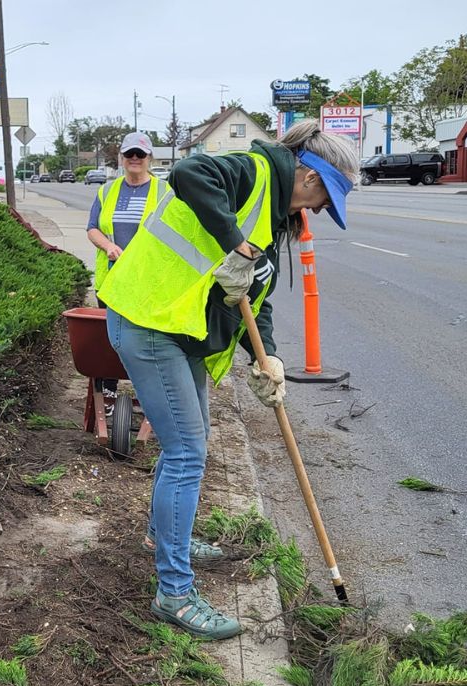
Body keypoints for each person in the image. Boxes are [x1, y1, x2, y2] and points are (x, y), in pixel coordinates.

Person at [97, 119, 356, 641]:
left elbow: (251, 293)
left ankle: (163, 535)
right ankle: (174, 592)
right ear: (307, 176)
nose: (321, 211)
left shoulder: (275, 214)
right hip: (150, 321)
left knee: (189, 445)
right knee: (187, 451)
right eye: (325, 198)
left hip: (179, 328)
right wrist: (235, 245)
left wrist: (271, 359)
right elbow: (191, 173)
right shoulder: (255, 170)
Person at [86, 132, 170, 408]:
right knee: (112, 339)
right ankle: (108, 393)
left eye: (140, 154)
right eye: (129, 154)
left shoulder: (164, 192)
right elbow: (93, 228)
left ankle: (148, 395)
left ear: (149, 158)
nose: (135, 159)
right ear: (122, 158)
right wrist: (108, 246)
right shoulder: (107, 190)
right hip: (112, 280)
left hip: (148, 281)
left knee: (146, 340)